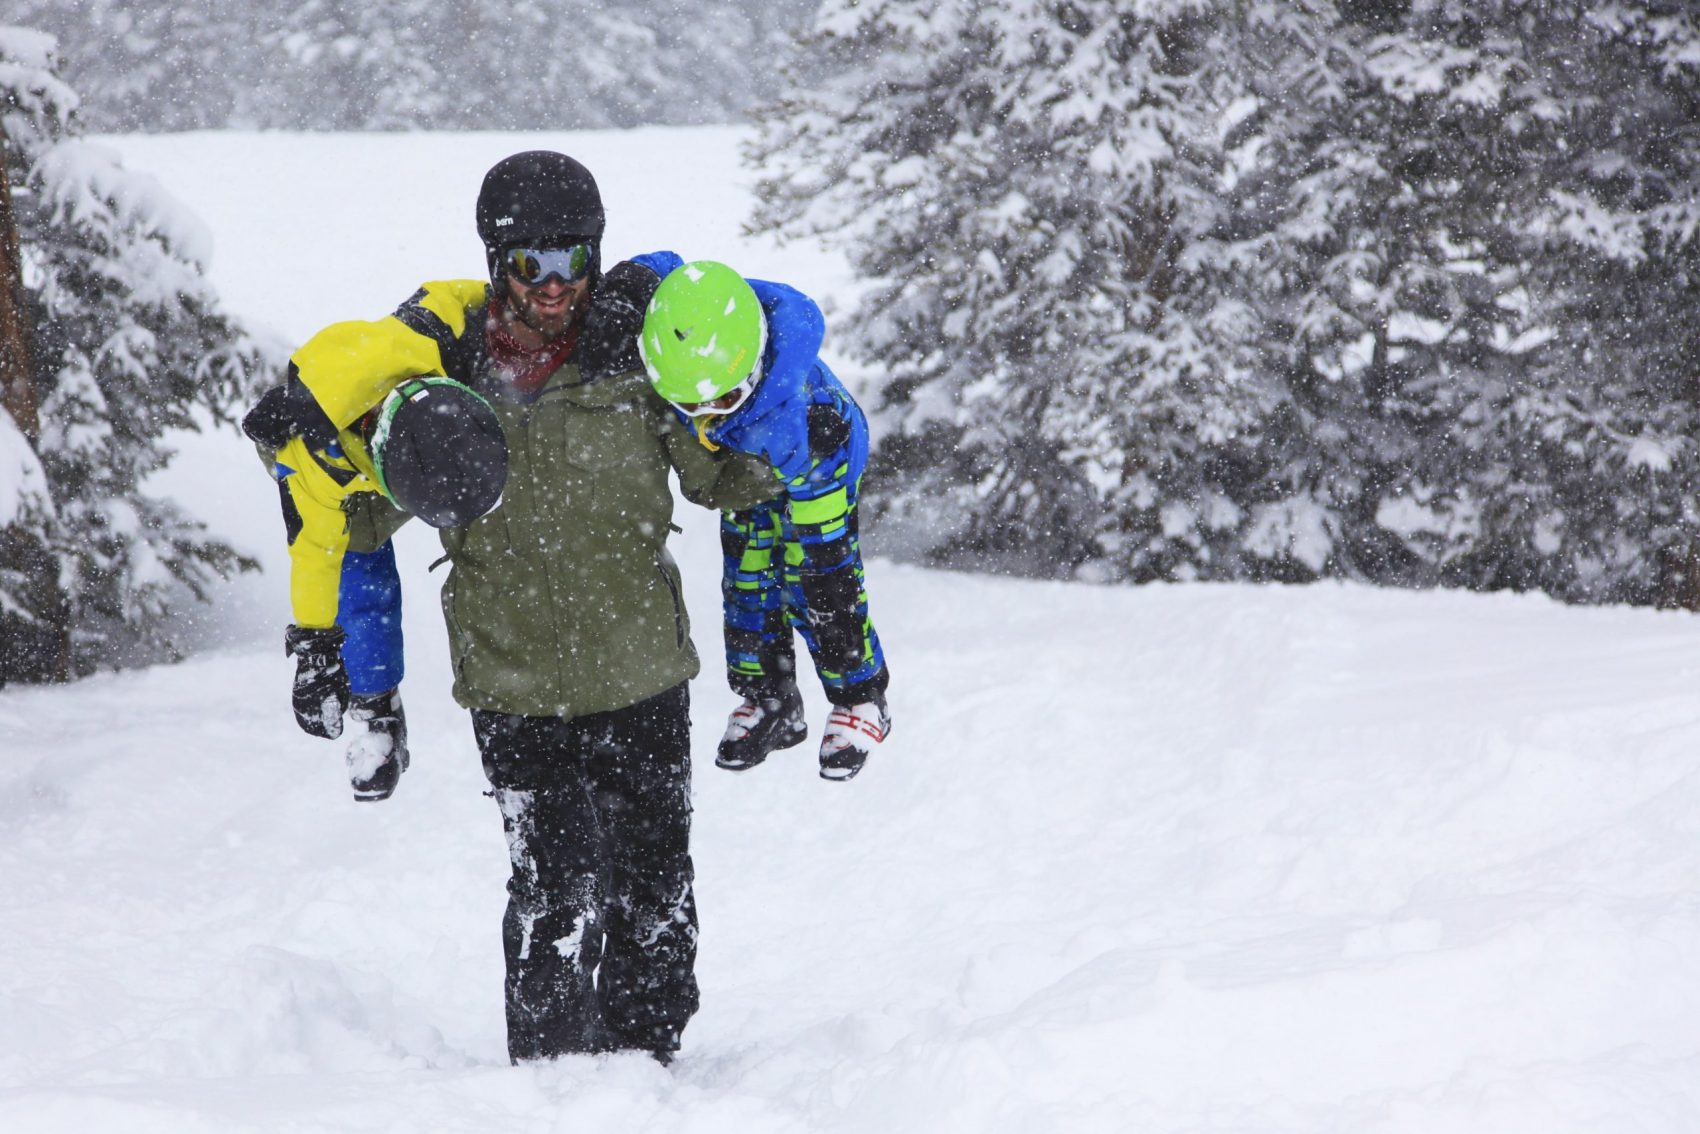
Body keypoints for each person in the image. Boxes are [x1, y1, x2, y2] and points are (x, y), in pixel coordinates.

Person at [242, 152, 777, 1065]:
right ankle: (554, 1086)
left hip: (643, 669)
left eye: (574, 259)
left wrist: (787, 434)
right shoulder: (446, 373)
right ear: (498, 263)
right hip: (514, 682)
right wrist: (326, 633)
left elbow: (716, 470)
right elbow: (362, 513)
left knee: (654, 891)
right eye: (532, 263)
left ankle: (649, 1071)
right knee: (554, 890)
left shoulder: (635, 352)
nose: (557, 285)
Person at [637, 259, 891, 781]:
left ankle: (861, 697)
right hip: (750, 470)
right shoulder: (697, 333)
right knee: (748, 580)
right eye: (689, 405)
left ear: (751, 365)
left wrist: (825, 568)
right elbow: (664, 268)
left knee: (816, 581)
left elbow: (829, 566)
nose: (709, 416)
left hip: (821, 459)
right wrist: (628, 286)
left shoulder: (798, 420)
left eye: (725, 399)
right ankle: (771, 699)